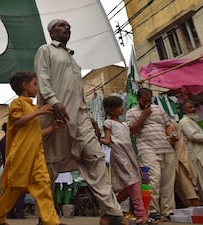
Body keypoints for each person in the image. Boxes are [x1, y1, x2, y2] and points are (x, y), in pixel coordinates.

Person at [34, 19, 128, 225]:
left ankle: (111, 213)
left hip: (81, 118)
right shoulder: (45, 50)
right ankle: (46, 217)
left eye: (68, 26)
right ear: (51, 32)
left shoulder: (74, 60)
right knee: (51, 165)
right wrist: (53, 101)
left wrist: (91, 118)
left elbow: (78, 93)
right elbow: (42, 79)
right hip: (56, 116)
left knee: (95, 158)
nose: (67, 28)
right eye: (61, 25)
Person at [0, 71, 66, 225]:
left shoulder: (32, 107)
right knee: (13, 188)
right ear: (25, 86)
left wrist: (52, 128)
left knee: (43, 185)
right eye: (34, 84)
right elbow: (18, 122)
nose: (37, 88)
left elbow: (35, 133)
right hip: (21, 155)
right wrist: (39, 112)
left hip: (36, 154)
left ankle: (51, 221)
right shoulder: (17, 103)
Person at [126, 88, 177, 223]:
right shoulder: (131, 112)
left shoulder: (159, 109)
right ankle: (153, 211)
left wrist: (173, 135)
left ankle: (168, 210)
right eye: (144, 101)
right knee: (154, 179)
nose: (147, 103)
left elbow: (168, 125)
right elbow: (131, 131)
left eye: (149, 100)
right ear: (138, 99)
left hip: (166, 148)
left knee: (168, 182)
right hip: (147, 149)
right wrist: (143, 116)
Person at [99, 96, 147, 224]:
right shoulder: (108, 123)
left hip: (129, 155)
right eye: (120, 106)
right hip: (120, 156)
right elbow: (108, 141)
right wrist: (96, 137)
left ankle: (108, 209)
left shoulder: (124, 124)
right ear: (112, 110)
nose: (122, 108)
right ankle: (141, 215)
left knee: (128, 187)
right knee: (133, 183)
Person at [170, 119, 199, 207]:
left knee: (187, 188)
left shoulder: (169, 122)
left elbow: (175, 138)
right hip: (176, 157)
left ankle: (194, 210)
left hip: (178, 158)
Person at [179, 100, 203, 202]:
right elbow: (192, 136)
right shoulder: (184, 121)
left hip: (200, 152)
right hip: (195, 155)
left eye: (193, 107)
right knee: (201, 181)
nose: (193, 109)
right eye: (190, 108)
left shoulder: (192, 121)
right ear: (184, 110)